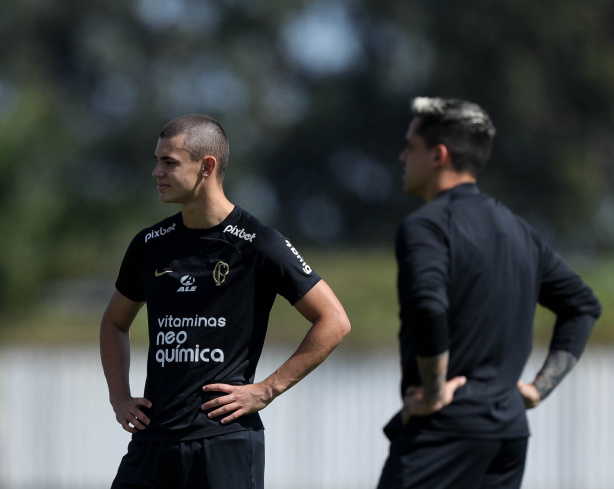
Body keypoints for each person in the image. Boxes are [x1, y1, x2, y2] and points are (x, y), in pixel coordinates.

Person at [100, 114, 351, 489]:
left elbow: (334, 320)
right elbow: (114, 323)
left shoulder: (258, 242)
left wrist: (267, 389)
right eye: (157, 160)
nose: (156, 172)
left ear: (207, 166)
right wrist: (119, 397)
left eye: (169, 162)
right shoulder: (149, 245)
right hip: (153, 441)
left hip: (224, 443)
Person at [377, 97, 601, 489]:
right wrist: (535, 391)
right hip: (509, 436)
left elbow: (428, 308)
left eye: (410, 147)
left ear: (438, 155)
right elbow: (582, 306)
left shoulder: (426, 227)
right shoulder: (521, 231)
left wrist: (432, 395)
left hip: (446, 430)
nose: (401, 157)